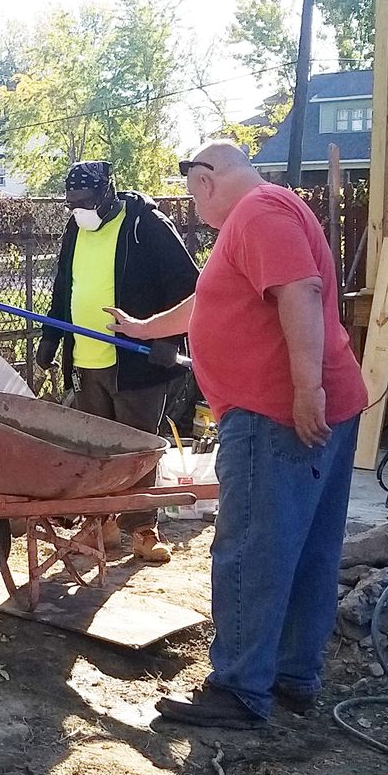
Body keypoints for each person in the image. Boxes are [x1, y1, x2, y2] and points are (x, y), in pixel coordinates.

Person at [107, 141, 367, 728]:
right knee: (304, 546)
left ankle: (242, 688)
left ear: (206, 180)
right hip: (306, 404)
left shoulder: (258, 214)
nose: (194, 207)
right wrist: (149, 326)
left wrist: (305, 390)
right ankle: (291, 676)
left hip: (275, 412)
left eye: (193, 193)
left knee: (253, 548)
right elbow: (212, 299)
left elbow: (300, 292)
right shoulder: (268, 212)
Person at [36, 160, 199, 563]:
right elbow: (64, 286)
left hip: (137, 362)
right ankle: (101, 523)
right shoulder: (76, 227)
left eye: (86, 201)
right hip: (87, 360)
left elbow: (190, 287)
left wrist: (167, 337)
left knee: (138, 447)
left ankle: (143, 528)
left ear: (108, 193)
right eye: (72, 203)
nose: (79, 209)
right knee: (98, 449)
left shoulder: (146, 226)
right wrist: (52, 337)